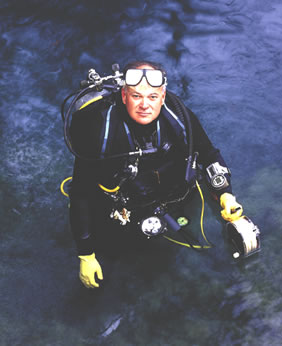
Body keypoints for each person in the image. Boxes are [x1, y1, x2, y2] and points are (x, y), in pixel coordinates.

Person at [68, 60, 243, 288]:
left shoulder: (179, 117)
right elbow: (81, 193)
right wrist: (86, 254)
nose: (144, 105)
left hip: (174, 194)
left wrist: (225, 194)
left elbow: (209, 155)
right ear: (124, 96)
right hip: (124, 207)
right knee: (122, 261)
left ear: (162, 97)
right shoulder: (100, 131)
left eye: (152, 97)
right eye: (136, 96)